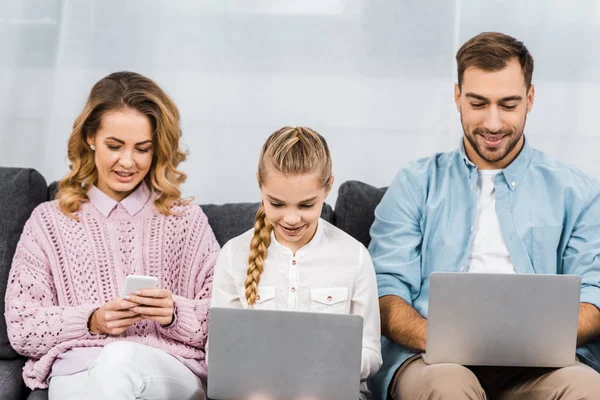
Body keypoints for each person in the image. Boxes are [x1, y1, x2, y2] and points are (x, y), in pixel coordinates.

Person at [368, 32, 600, 399]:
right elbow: (384, 289)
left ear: (530, 99)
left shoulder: (578, 191)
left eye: (508, 105)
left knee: (588, 389)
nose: (492, 124)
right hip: (434, 362)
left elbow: (594, 292)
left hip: (544, 368)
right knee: (447, 388)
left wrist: (534, 339)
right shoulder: (415, 183)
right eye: (478, 103)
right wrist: (436, 337)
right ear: (458, 97)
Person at [5, 71, 219, 399]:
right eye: (114, 146)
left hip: (164, 367)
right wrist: (92, 320)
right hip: (77, 371)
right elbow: (23, 326)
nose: (128, 161)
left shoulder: (185, 220)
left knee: (119, 359)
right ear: (90, 138)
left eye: (142, 148)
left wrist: (175, 313)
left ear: (157, 149)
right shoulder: (49, 222)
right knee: (108, 371)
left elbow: (225, 320)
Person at [210, 126, 382, 399]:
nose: (291, 219)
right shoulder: (233, 255)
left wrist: (326, 366)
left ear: (328, 188)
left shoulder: (355, 256)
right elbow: (217, 354)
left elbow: (371, 352)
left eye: (305, 205)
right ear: (260, 184)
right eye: (277, 204)